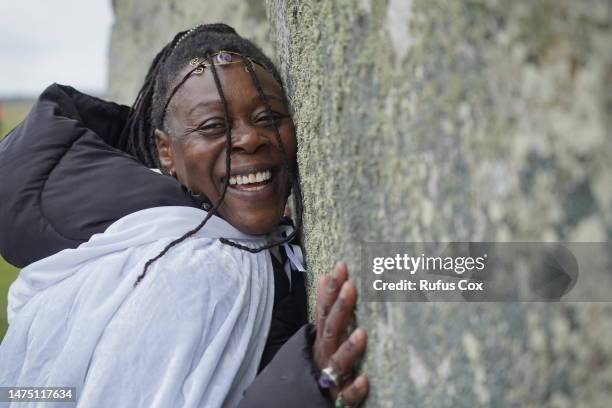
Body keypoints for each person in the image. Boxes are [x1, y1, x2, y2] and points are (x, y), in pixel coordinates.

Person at [0, 24, 368, 407]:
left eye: (267, 117)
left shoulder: (178, 236)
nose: (249, 138)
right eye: (212, 126)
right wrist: (303, 390)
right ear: (166, 153)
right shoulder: (201, 270)